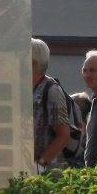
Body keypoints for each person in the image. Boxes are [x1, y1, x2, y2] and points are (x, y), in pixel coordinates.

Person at [30, 38, 73, 169]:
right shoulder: (27, 89)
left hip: (47, 171)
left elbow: (63, 136)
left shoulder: (52, 90)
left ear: (32, 62)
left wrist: (40, 165)